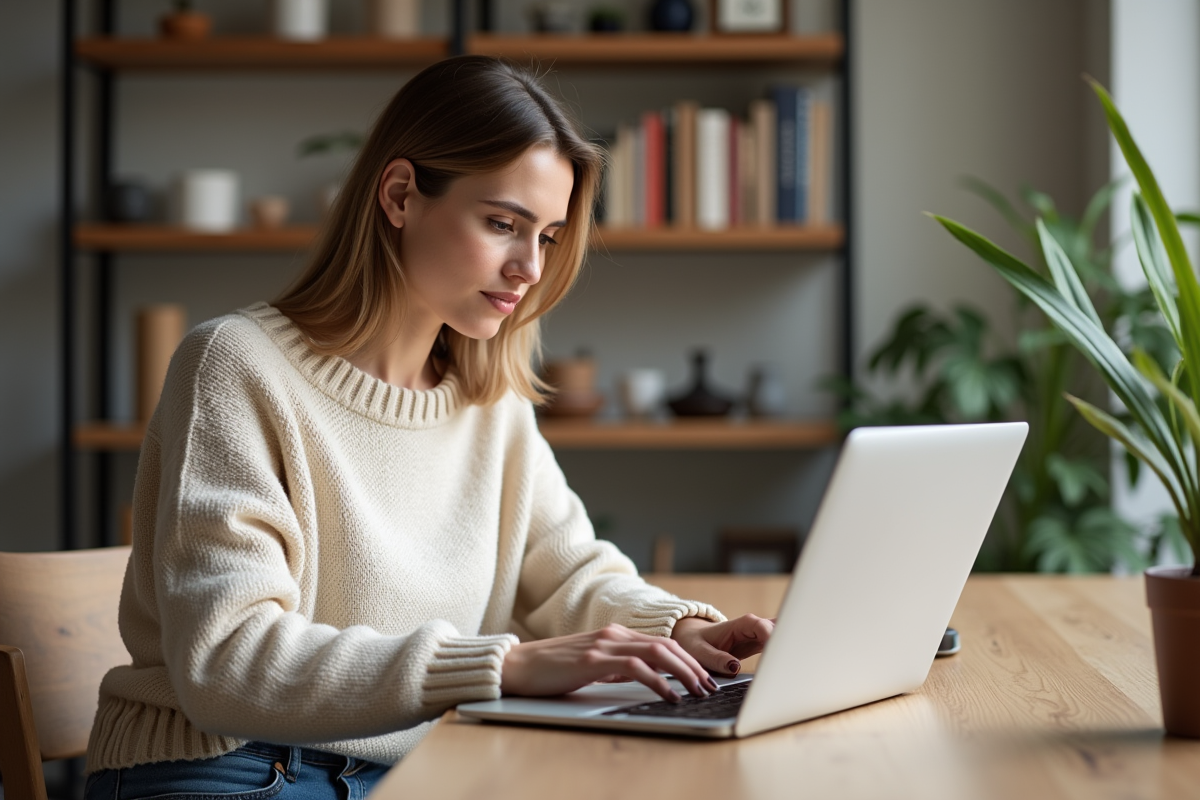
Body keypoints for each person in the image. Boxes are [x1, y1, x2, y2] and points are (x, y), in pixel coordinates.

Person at [84, 55, 774, 799]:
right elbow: (227, 660)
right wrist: (499, 667)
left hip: (417, 769)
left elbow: (568, 572)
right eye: (503, 224)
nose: (529, 269)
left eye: (546, 236)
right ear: (401, 195)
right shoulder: (235, 367)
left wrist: (676, 633)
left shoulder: (489, 398)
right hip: (229, 764)